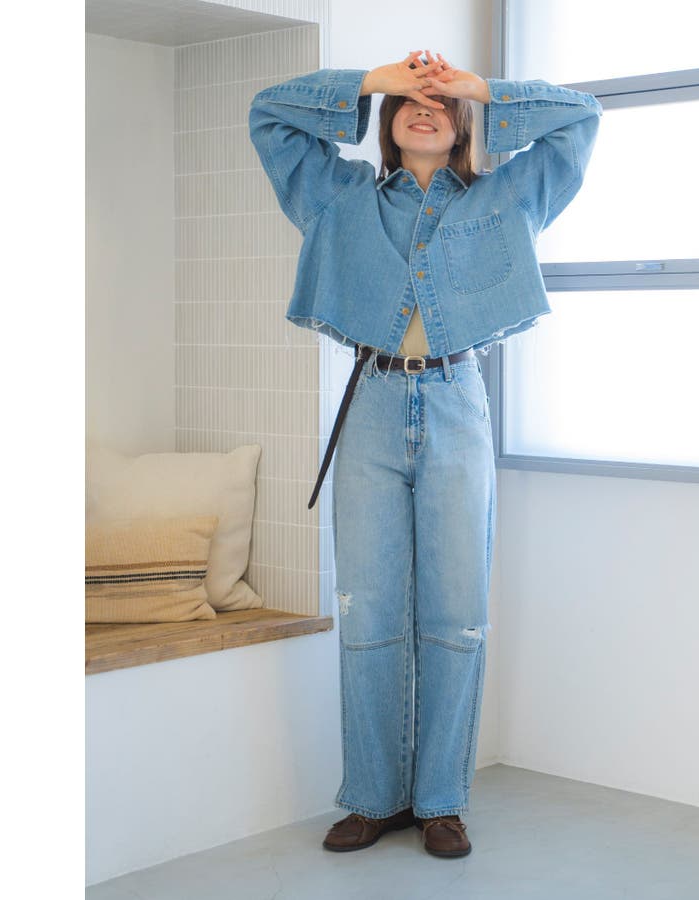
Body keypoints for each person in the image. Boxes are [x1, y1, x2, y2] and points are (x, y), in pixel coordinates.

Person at [249, 50, 602, 859]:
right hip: (370, 407)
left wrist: (479, 89)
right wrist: (376, 80)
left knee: (456, 613)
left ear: (466, 123)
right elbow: (269, 113)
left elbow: (582, 119)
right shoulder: (338, 197)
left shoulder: (510, 198)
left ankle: (442, 800)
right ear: (386, 119)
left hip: (457, 402)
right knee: (369, 609)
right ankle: (373, 798)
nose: (425, 105)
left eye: (441, 101)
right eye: (411, 98)